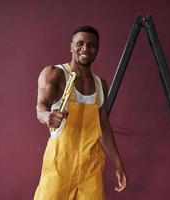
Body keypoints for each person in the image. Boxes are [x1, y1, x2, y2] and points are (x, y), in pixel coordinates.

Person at [34, 25, 127, 200]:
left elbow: (104, 126)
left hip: (90, 168)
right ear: (71, 46)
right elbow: (41, 107)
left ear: (97, 50)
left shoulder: (101, 85)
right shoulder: (55, 74)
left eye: (91, 45)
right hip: (59, 165)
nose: (85, 48)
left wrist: (118, 163)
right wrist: (47, 116)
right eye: (80, 43)